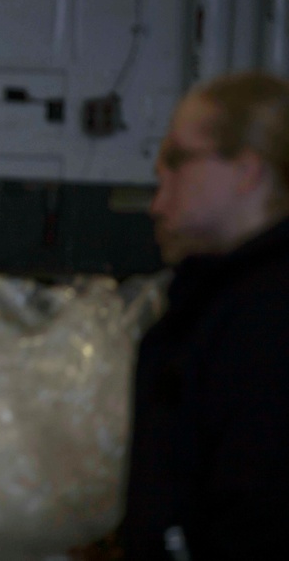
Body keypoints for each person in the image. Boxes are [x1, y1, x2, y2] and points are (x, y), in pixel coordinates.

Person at [122, 71, 289, 559]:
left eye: (177, 161)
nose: (158, 199)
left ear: (246, 170)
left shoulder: (266, 320)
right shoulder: (216, 299)